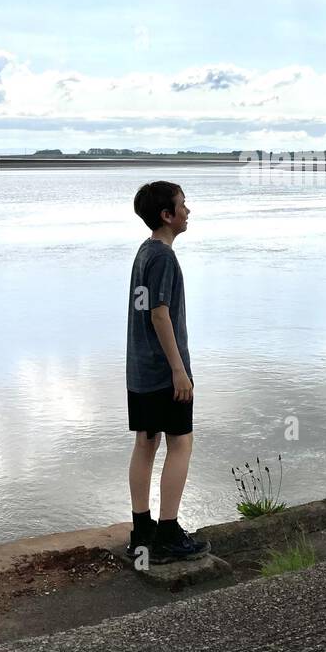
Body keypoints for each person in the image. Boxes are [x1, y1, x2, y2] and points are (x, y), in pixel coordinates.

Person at [124, 180, 210, 563]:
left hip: (140, 370)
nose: (188, 211)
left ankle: (142, 531)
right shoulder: (164, 257)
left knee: (146, 443)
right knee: (181, 443)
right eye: (183, 205)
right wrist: (179, 370)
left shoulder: (145, 252)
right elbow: (160, 315)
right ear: (166, 215)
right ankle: (168, 532)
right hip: (163, 371)